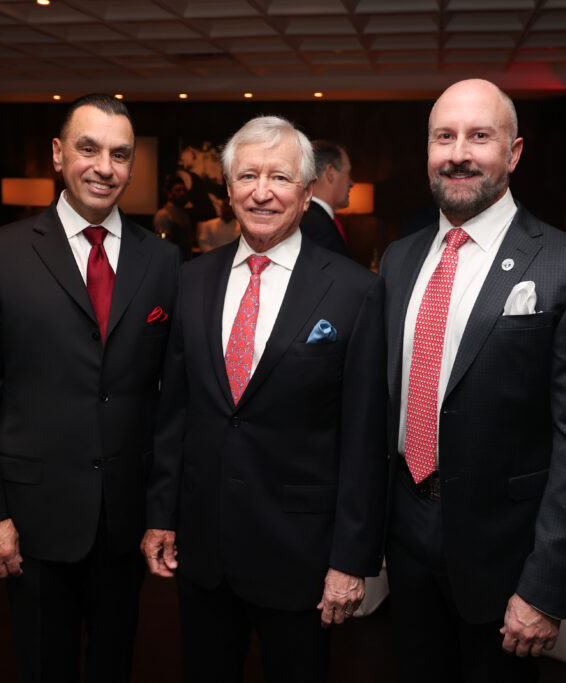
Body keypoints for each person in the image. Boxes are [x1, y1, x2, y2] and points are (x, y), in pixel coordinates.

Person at [379, 79, 566, 682]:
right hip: (405, 534)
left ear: (514, 153)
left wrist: (545, 588)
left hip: (504, 553)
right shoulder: (398, 259)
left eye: (479, 136)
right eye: (445, 136)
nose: (459, 152)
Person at [142, 115, 387, 682]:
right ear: (228, 191)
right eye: (247, 175)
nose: (261, 190)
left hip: (300, 554)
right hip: (204, 551)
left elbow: (364, 438)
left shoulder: (355, 291)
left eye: (279, 177)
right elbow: (175, 411)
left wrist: (350, 561)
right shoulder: (191, 280)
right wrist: (161, 514)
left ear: (305, 193)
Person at [0, 94, 179, 682]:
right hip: (32, 516)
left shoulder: (163, 262)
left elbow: (170, 399)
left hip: (124, 520)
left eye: (120, 154)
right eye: (88, 148)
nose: (105, 166)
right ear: (58, 155)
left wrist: (162, 510)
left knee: (114, 663)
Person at [301, 139, 353, 258]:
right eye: (348, 173)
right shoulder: (316, 226)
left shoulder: (313, 218)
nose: (352, 183)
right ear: (330, 173)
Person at [154, 175, 194, 259]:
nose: (182, 193)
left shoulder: (185, 215)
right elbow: (162, 244)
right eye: (178, 190)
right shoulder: (164, 214)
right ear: (169, 194)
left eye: (184, 190)